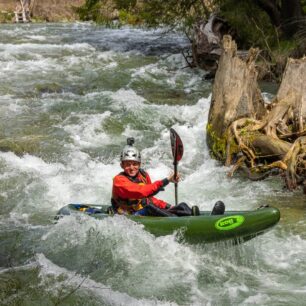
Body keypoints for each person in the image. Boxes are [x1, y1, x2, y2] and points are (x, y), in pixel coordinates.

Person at [111, 138, 197, 217]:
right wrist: (166, 181)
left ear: (139, 164)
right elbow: (141, 191)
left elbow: (150, 199)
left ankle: (190, 215)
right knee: (149, 208)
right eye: (127, 164)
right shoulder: (119, 180)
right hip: (127, 216)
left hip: (143, 211)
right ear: (122, 165)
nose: (132, 168)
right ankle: (175, 220)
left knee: (182, 206)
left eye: (135, 164)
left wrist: (168, 206)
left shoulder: (143, 176)